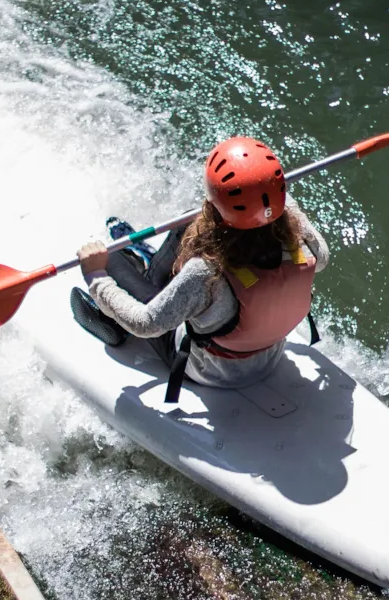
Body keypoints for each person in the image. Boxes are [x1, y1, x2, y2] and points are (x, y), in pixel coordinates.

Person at [72, 136, 328, 402]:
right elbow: (313, 246)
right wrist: (275, 197)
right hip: (269, 357)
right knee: (188, 223)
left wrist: (96, 276)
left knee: (111, 258)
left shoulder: (206, 272)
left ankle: (115, 316)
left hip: (208, 370)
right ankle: (154, 272)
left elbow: (147, 324)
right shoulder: (304, 244)